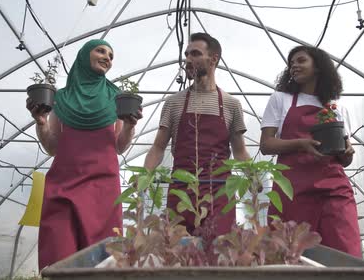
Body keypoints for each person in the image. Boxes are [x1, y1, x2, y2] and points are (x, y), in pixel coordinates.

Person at [26, 39, 142, 270]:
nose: (107, 57)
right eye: (101, 51)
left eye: (111, 54)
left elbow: (119, 146)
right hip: (63, 186)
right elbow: (52, 147)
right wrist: (41, 124)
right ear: (84, 55)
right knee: (59, 257)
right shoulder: (62, 99)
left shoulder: (115, 98)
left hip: (102, 190)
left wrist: (129, 126)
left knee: (101, 261)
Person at [144, 32, 250, 236]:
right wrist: (144, 177)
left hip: (219, 192)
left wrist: (252, 176)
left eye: (195, 54)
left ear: (213, 59)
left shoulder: (231, 104)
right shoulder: (173, 103)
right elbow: (158, 147)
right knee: (177, 251)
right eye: (186, 55)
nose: (187, 60)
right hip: (181, 190)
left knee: (219, 249)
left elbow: (239, 151)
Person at [259, 45, 360, 257]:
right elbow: (266, 144)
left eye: (301, 60)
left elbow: (343, 160)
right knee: (291, 256)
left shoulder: (336, 107)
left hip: (334, 187)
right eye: (291, 63)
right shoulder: (281, 99)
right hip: (293, 189)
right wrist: (301, 144)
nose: (294, 65)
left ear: (318, 67)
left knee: (346, 253)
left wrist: (347, 152)